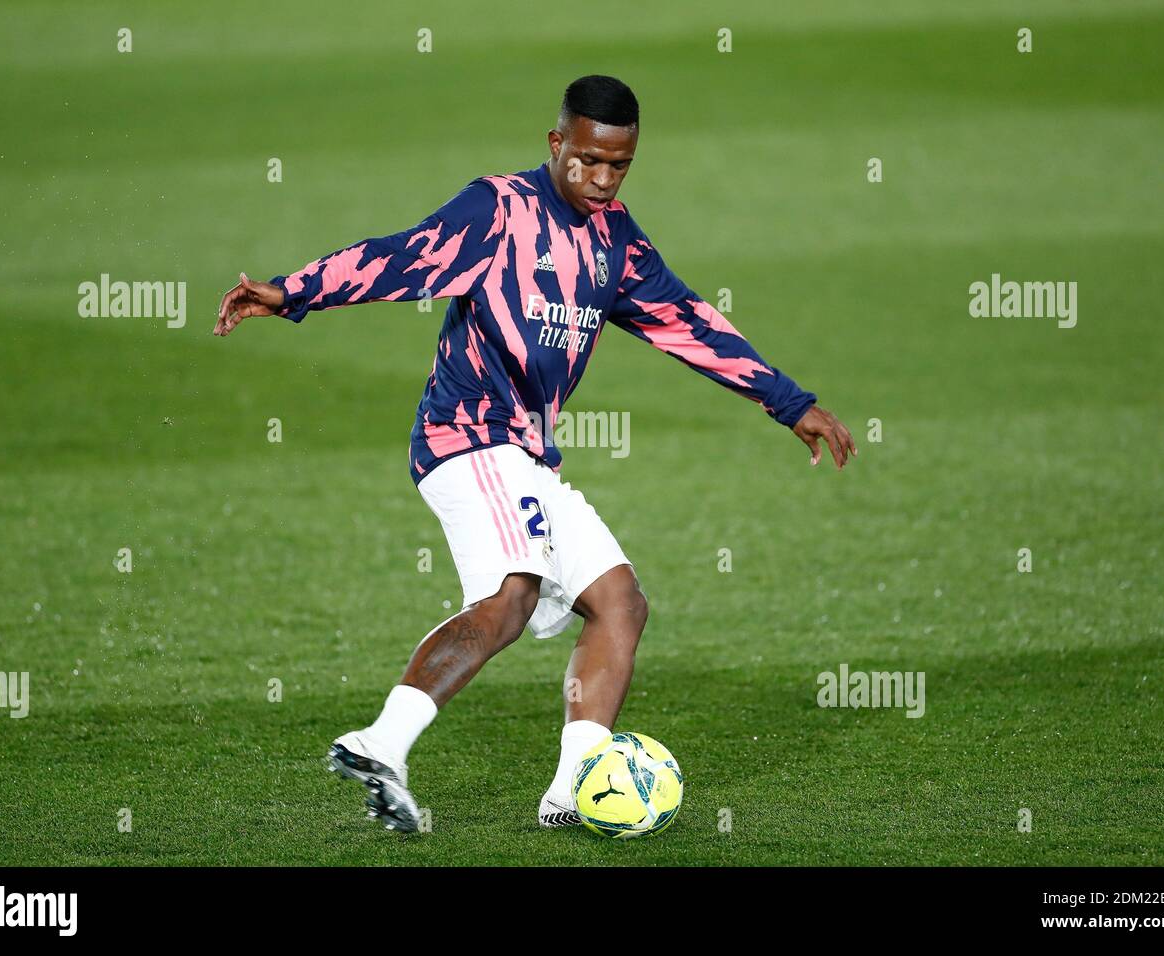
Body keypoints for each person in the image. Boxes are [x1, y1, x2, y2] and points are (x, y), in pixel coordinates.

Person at [214, 74, 856, 832]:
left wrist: (788, 402)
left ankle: (570, 795)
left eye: (620, 165)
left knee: (620, 603)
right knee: (513, 593)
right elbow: (402, 258)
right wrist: (291, 293)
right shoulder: (499, 210)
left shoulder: (617, 241)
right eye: (588, 159)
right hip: (466, 435)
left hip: (525, 454)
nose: (602, 179)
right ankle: (380, 744)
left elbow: (689, 323)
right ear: (557, 144)